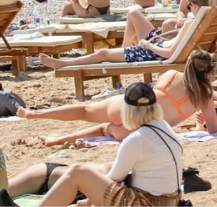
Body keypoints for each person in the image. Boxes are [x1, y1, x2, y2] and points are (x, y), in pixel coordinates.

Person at [20, 51, 217, 145]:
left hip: (128, 108)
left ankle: (36, 114)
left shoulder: (171, 75)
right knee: (102, 130)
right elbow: (214, 130)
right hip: (138, 130)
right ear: (209, 73)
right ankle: (56, 141)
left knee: (85, 111)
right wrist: (197, 127)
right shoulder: (205, 97)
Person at [39, 82, 183, 207]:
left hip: (147, 203)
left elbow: (114, 178)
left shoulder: (137, 138)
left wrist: (88, 201)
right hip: (171, 200)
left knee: (78, 172)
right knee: (106, 168)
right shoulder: (163, 126)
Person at [40, 0, 210, 69]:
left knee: (103, 54)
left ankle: (62, 63)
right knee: (133, 12)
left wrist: (147, 45)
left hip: (155, 52)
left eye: (189, 7)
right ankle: (126, 47)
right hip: (160, 44)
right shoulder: (201, 21)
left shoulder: (191, 23)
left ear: (193, 6)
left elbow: (169, 54)